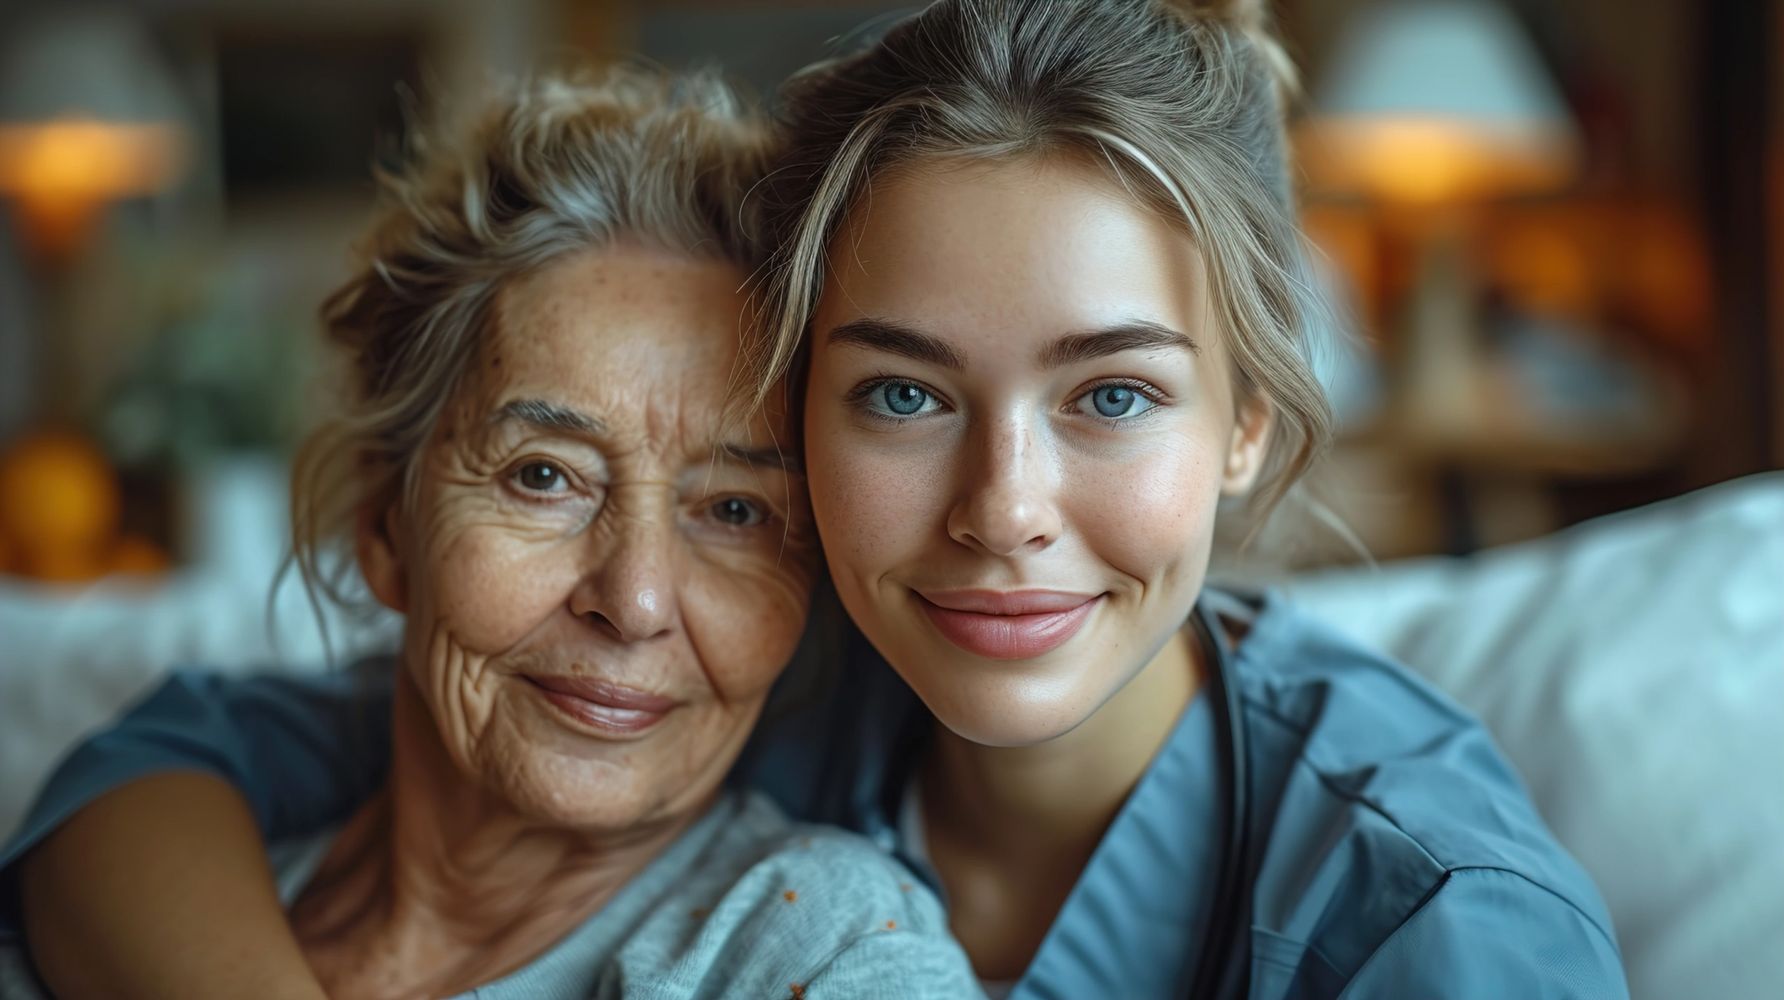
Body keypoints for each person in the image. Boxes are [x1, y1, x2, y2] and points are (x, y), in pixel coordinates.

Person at [3, 2, 1630, 997]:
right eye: (903, 393)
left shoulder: (1436, 929)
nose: (1000, 507)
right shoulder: (754, 670)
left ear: (1248, 429)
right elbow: (163, 762)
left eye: (1111, 394)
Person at [0, 67, 979, 999]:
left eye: (734, 511)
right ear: (383, 525)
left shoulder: (819, 946)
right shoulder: (186, 876)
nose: (633, 600)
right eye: (542, 476)